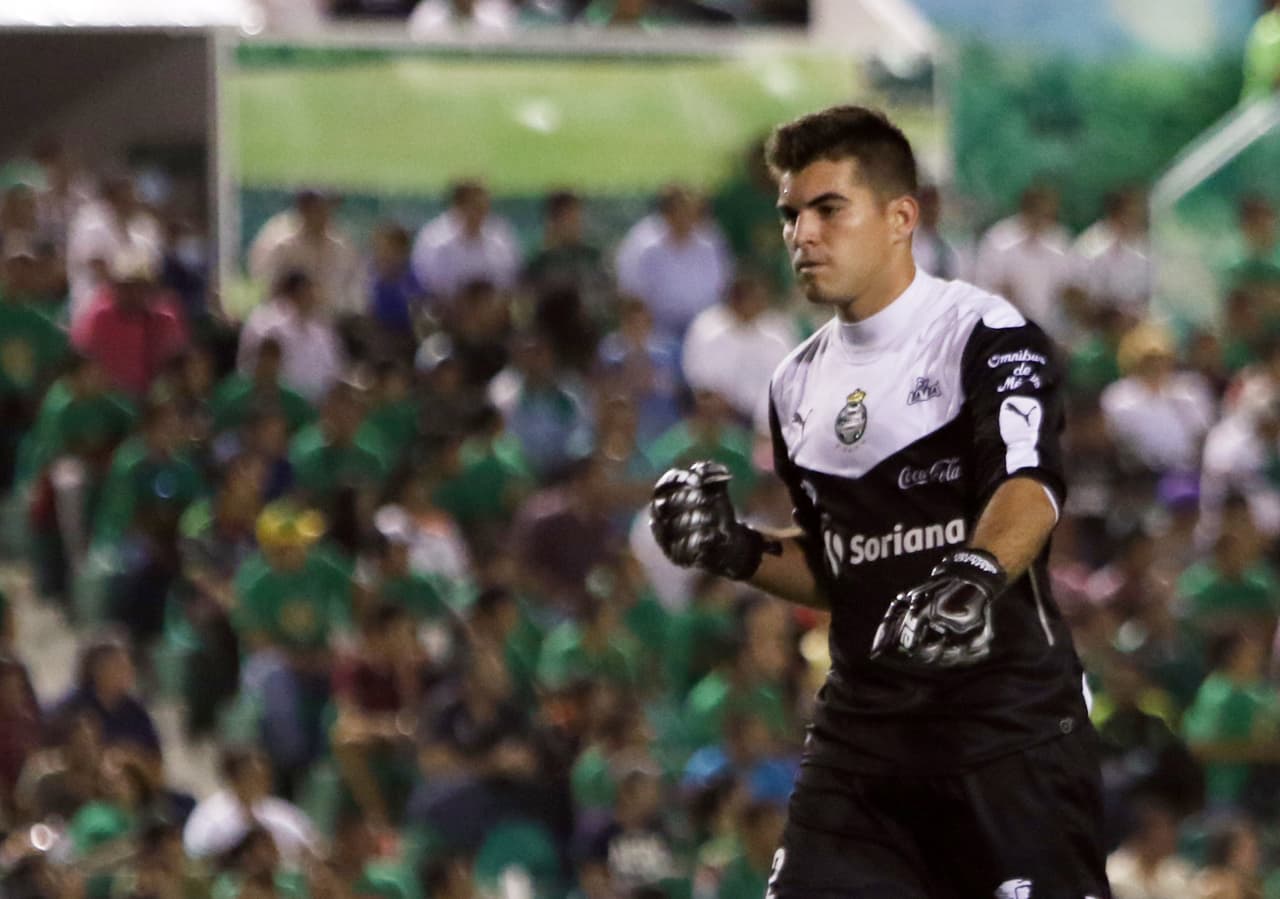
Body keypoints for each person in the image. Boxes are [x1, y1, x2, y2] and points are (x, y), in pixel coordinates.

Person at [648, 105, 1109, 897]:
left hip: (1007, 732)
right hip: (862, 746)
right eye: (791, 214)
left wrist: (970, 573)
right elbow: (844, 567)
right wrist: (740, 548)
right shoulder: (792, 381)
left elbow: (1028, 491)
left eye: (829, 209)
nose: (803, 234)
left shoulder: (986, 334)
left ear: (902, 217)